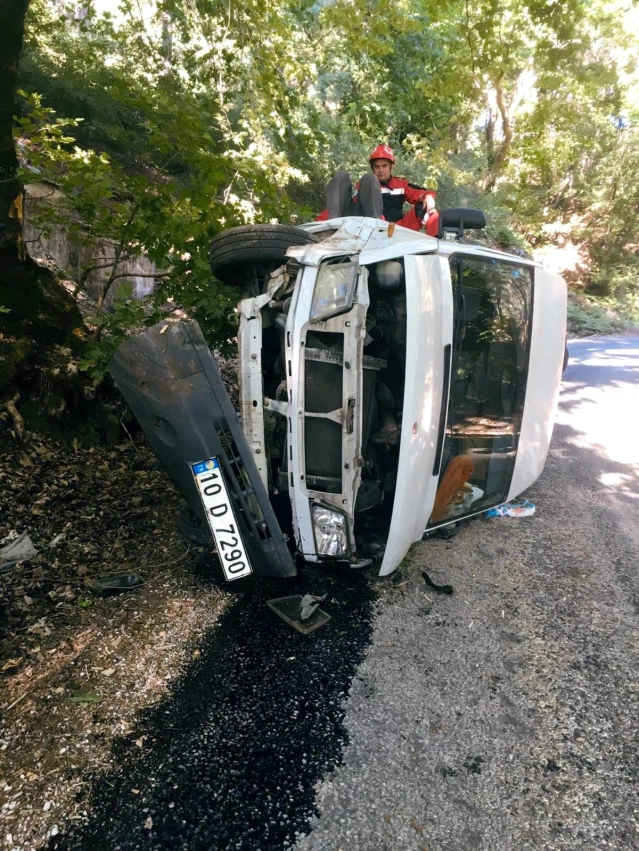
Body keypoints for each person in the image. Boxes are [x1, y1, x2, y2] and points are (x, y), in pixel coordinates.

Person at [317, 144, 440, 236]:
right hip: (367, 225)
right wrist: (318, 224)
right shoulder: (365, 184)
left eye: (384, 166)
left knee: (425, 206)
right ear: (373, 168)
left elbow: (421, 192)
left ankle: (435, 243)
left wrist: (428, 197)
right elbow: (347, 205)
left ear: (391, 166)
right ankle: (331, 227)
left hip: (394, 229)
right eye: (377, 167)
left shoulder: (401, 184)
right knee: (342, 176)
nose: (380, 170)